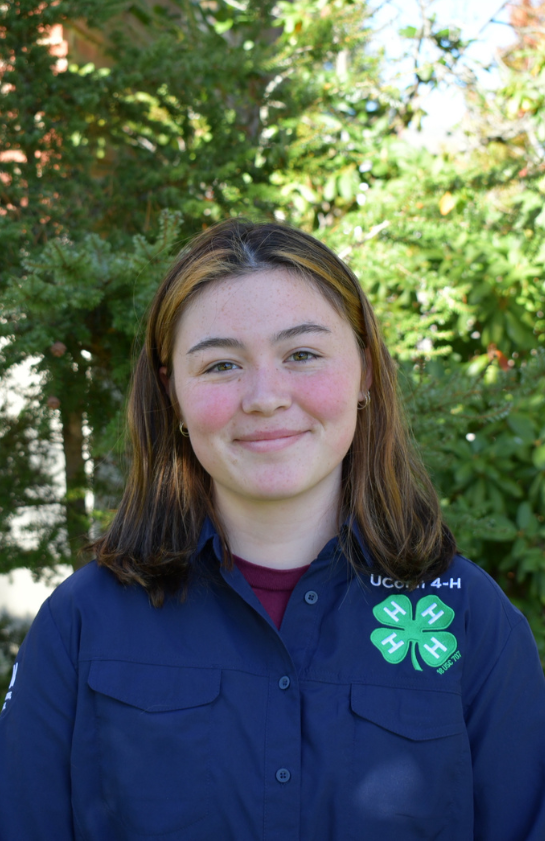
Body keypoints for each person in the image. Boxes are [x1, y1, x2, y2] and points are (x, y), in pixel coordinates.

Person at [1, 219, 544, 841]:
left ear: (365, 372)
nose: (264, 396)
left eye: (302, 354)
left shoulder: (475, 622)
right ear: (171, 393)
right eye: (222, 364)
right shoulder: (81, 627)